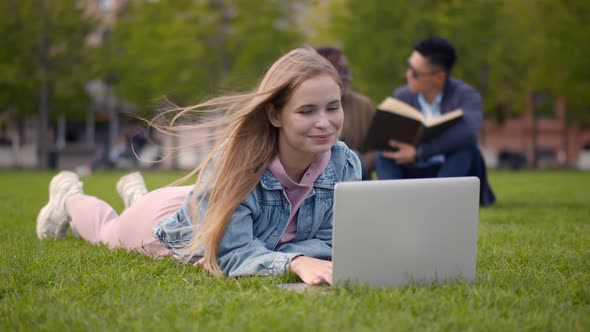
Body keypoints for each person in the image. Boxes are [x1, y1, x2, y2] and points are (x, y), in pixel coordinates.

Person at [35, 47, 362, 285]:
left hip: (201, 204)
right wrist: (294, 259)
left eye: (333, 107)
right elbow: (232, 252)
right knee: (107, 231)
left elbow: (333, 242)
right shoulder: (234, 165)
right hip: (169, 227)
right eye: (307, 111)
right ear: (275, 115)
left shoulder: (344, 162)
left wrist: (282, 255)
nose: (324, 123)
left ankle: (136, 195)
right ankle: (68, 197)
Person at [374, 36, 495, 206]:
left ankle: (440, 203)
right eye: (409, 66)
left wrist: (419, 152)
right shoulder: (402, 96)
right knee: (383, 154)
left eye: (415, 72)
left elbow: (469, 133)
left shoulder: (467, 96)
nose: (408, 75)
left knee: (466, 148)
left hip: (451, 171)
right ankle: (394, 202)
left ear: (439, 77)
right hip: (414, 169)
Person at [315, 47, 376, 180]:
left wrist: (355, 164)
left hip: (356, 179)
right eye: (340, 70)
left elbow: (378, 150)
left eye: (347, 70)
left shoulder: (364, 105)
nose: (347, 76)